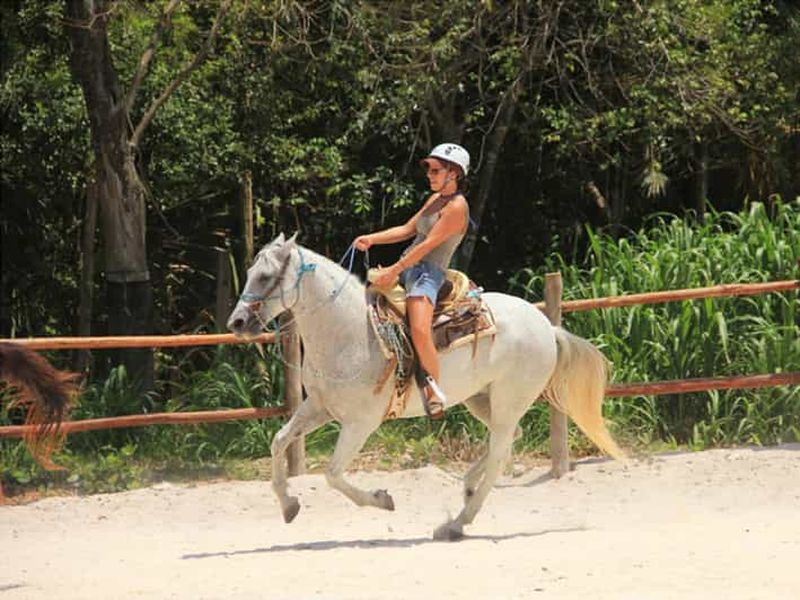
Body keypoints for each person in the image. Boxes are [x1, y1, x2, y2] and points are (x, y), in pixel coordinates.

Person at [354, 143, 470, 418]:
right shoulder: (435, 200)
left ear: (454, 173)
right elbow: (408, 230)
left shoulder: (456, 207)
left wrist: (393, 270)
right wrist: (373, 238)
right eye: (429, 169)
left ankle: (433, 390)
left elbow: (427, 245)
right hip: (408, 267)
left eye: (435, 169)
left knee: (419, 328)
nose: (429, 174)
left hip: (428, 273)